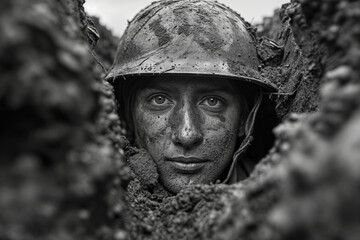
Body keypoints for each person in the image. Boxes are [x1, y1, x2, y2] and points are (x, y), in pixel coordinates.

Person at [106, 0, 278, 194]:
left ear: (244, 119)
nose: (187, 135)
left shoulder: (280, 196)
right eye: (159, 99)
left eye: (212, 101)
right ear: (128, 114)